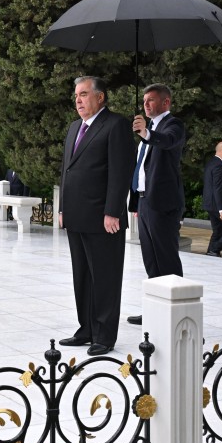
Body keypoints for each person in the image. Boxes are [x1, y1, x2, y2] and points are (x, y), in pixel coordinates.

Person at [58, 76, 133, 356]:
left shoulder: (115, 125)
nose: (78, 100)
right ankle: (86, 329)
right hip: (76, 215)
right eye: (76, 95)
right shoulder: (74, 127)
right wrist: (63, 208)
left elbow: (120, 171)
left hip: (103, 218)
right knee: (82, 276)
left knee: (105, 277)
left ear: (100, 97)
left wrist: (113, 211)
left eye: (84, 94)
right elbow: (66, 170)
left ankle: (104, 335)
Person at [126, 84, 186, 326]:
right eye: (144, 101)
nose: (146, 104)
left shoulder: (173, 125)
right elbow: (141, 168)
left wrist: (146, 133)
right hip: (144, 201)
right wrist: (135, 202)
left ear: (166, 102)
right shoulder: (149, 129)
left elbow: (167, 141)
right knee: (151, 260)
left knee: (167, 258)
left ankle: (177, 313)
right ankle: (154, 309)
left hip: (162, 204)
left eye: (151, 100)